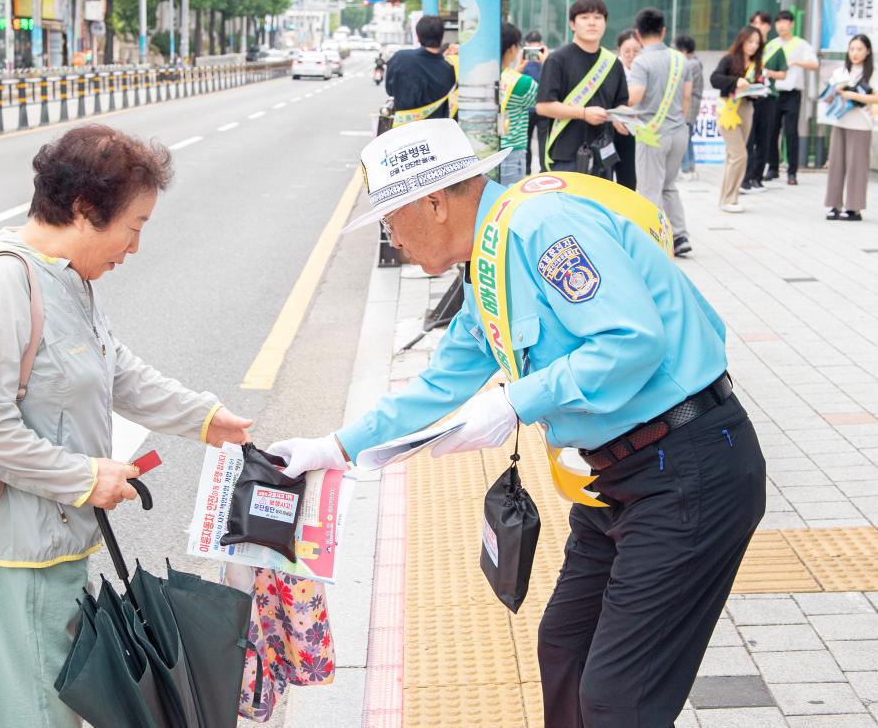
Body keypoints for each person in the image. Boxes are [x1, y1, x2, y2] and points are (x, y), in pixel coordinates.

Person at [268, 118, 765, 728]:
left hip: (688, 466)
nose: (392, 238)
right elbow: (439, 384)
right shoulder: (492, 260)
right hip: (619, 477)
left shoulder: (540, 226)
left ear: (434, 202)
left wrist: (516, 401)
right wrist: (334, 448)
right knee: (564, 648)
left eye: (392, 219)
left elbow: (630, 340)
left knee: (617, 697)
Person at [0, 124, 253, 728]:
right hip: (11, 557)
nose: (133, 247)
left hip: (49, 547)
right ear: (84, 211)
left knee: (57, 715)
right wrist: (83, 478)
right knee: (38, 718)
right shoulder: (5, 281)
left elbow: (114, 368)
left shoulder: (67, 277)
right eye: (133, 227)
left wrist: (207, 419)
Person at [536, 0, 629, 176]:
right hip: (567, 155)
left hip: (604, 153)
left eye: (598, 17)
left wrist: (622, 118)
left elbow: (620, 103)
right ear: (572, 24)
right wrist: (584, 113)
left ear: (605, 22)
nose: (592, 23)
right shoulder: (557, 59)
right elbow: (543, 106)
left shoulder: (613, 63)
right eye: (585, 17)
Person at [627, 8, 693, 256]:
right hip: (678, 131)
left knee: (649, 189)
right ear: (664, 30)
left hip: (651, 133)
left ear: (638, 33)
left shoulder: (641, 61)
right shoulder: (680, 59)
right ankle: (679, 235)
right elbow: (686, 98)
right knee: (669, 185)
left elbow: (636, 97)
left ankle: (652, 240)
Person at [823, 34, 878, 221]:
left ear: (867, 51)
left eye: (859, 49)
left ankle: (854, 208)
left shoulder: (872, 73)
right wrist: (835, 92)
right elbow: (829, 94)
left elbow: (876, 97)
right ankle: (834, 205)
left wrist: (853, 96)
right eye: (852, 48)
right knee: (836, 164)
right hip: (840, 122)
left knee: (857, 167)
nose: (855, 53)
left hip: (861, 124)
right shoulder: (841, 72)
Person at [711, 26, 764, 213]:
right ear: (742, 41)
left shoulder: (757, 64)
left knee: (732, 155)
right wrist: (736, 82)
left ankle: (726, 198)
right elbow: (715, 79)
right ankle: (729, 199)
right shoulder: (729, 59)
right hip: (728, 109)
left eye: (757, 43)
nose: (753, 46)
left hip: (746, 108)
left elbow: (758, 84)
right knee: (739, 155)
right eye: (750, 41)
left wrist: (756, 91)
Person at [764, 10, 819, 185]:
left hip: (792, 92)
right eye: (778, 22)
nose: (781, 25)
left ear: (792, 24)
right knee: (772, 131)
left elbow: (814, 64)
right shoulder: (772, 44)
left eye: (785, 21)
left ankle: (792, 172)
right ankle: (772, 167)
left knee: (791, 132)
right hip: (774, 91)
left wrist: (795, 62)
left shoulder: (801, 44)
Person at [742, 11, 788, 194]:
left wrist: (767, 73)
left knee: (764, 137)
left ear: (768, 26)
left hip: (768, 96)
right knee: (749, 137)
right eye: (754, 23)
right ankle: (744, 177)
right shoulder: (747, 48)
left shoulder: (775, 49)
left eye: (761, 23)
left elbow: (783, 74)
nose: (757, 27)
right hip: (749, 97)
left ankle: (756, 178)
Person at [385, 15, 457, 123]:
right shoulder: (452, 67)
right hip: (439, 131)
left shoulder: (400, 59)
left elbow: (390, 90)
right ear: (442, 37)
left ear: (418, 37)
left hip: (404, 130)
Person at [498, 22, 539, 185]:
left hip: (481, 153)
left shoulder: (476, 76)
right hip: (511, 154)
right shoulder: (522, 83)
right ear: (513, 49)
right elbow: (546, 100)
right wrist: (549, 62)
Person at [613, 28, 641, 190]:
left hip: (639, 129)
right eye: (627, 51)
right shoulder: (612, 68)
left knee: (630, 179)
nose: (631, 55)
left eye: (636, 51)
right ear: (619, 50)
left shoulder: (646, 69)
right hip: (615, 128)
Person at [675, 35, 703, 179]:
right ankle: (690, 167)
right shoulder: (694, 62)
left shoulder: (690, 64)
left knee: (684, 135)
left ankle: (685, 168)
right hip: (692, 102)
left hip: (689, 103)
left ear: (684, 50)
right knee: (688, 136)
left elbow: (682, 86)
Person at [522, 30, 547, 173]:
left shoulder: (547, 62)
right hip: (527, 109)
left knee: (543, 142)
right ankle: (526, 170)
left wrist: (545, 60)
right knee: (526, 142)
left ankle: (544, 170)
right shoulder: (523, 63)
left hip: (543, 108)